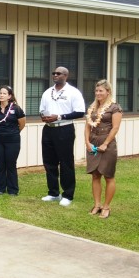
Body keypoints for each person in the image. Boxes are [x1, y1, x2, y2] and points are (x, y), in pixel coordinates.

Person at [39, 66, 86, 207]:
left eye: (58, 73)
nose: (55, 75)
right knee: (49, 162)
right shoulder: (48, 92)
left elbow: (80, 112)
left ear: (66, 75)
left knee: (66, 163)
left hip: (64, 129)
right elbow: (42, 109)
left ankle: (68, 194)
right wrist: (44, 117)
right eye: (54, 73)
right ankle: (53, 192)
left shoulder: (73, 92)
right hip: (48, 129)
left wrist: (59, 116)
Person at [85, 80, 122, 219]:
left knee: (108, 176)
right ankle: (97, 205)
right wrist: (87, 142)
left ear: (108, 92)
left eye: (101, 91)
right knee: (95, 175)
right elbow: (88, 126)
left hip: (107, 144)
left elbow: (115, 127)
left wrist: (106, 143)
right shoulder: (92, 107)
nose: (98, 93)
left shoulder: (114, 108)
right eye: (96, 91)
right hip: (93, 143)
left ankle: (106, 207)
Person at [0, 85, 26, 195]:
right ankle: (0, 189)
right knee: (0, 164)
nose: (1, 95)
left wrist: (12, 133)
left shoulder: (16, 109)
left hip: (13, 141)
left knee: (10, 164)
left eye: (4, 93)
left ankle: (13, 190)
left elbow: (22, 124)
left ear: (9, 96)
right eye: (0, 93)